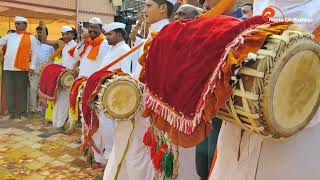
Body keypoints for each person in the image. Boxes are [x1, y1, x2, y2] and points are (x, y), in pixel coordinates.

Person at [100, 22, 139, 180]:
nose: (107, 37)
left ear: (119, 34)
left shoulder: (125, 50)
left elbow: (126, 74)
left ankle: (112, 158)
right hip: (106, 92)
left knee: (112, 126)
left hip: (115, 96)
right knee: (105, 124)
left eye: (109, 34)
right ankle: (108, 155)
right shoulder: (112, 49)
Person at [73, 17, 111, 166]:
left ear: (101, 28)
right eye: (90, 28)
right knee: (84, 113)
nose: (93, 30)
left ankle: (96, 146)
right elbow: (76, 55)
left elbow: (105, 65)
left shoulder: (105, 44)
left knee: (94, 116)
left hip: (94, 85)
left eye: (96, 27)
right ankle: (86, 139)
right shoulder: (87, 43)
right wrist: (82, 41)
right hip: (82, 83)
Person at [0, 16, 38, 120]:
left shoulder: (31, 37)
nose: (16, 25)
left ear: (25, 25)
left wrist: (32, 66)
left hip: (21, 68)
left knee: (21, 90)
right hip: (8, 67)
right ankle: (11, 113)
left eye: (19, 23)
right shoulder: (9, 36)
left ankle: (22, 113)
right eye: (16, 23)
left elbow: (35, 53)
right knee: (9, 90)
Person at [29, 25, 55, 115]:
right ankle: (33, 108)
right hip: (34, 71)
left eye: (40, 32)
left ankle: (42, 108)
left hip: (45, 72)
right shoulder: (33, 43)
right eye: (37, 32)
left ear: (45, 33)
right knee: (33, 89)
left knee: (43, 90)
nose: (38, 34)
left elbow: (53, 59)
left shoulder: (50, 45)